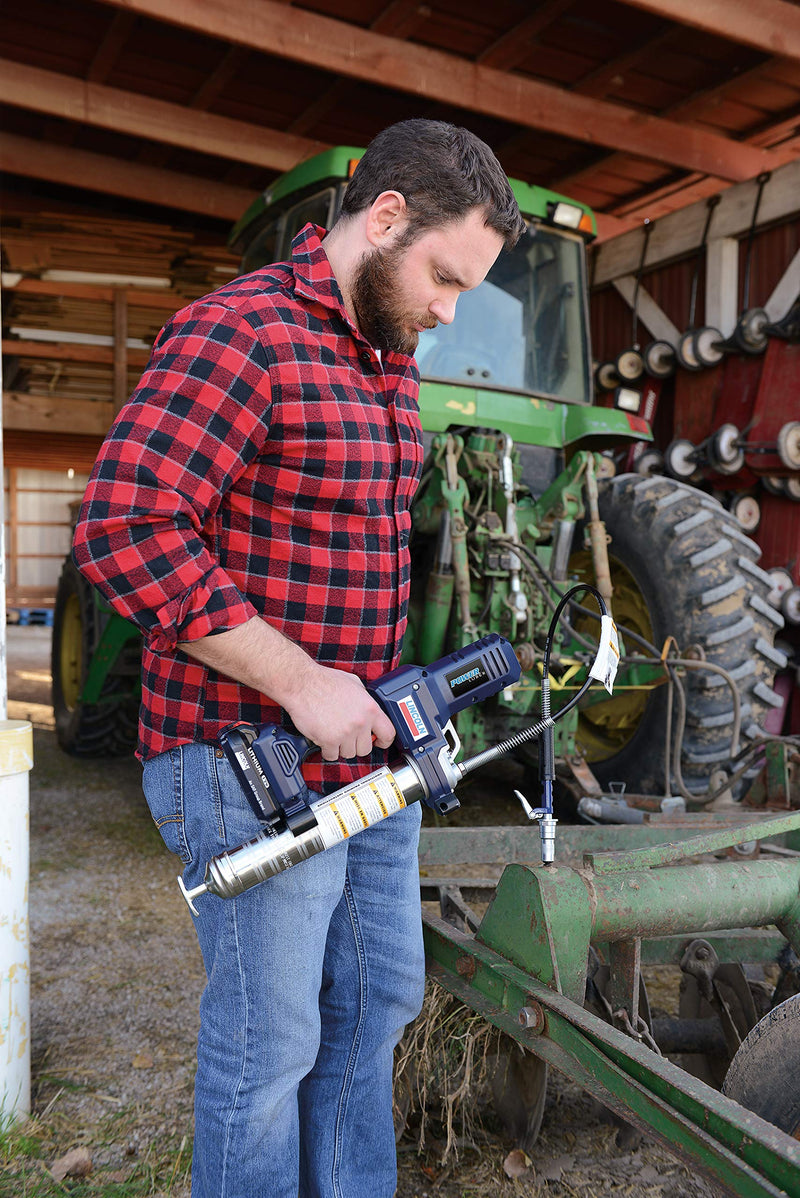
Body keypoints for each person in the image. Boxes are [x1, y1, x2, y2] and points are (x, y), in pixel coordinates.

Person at [73, 118, 524, 1198]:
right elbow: (124, 528)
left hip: (368, 763)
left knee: (373, 1010)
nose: (448, 310)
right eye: (444, 277)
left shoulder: (388, 358)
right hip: (244, 763)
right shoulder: (239, 335)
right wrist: (298, 681)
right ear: (382, 219)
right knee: (267, 1047)